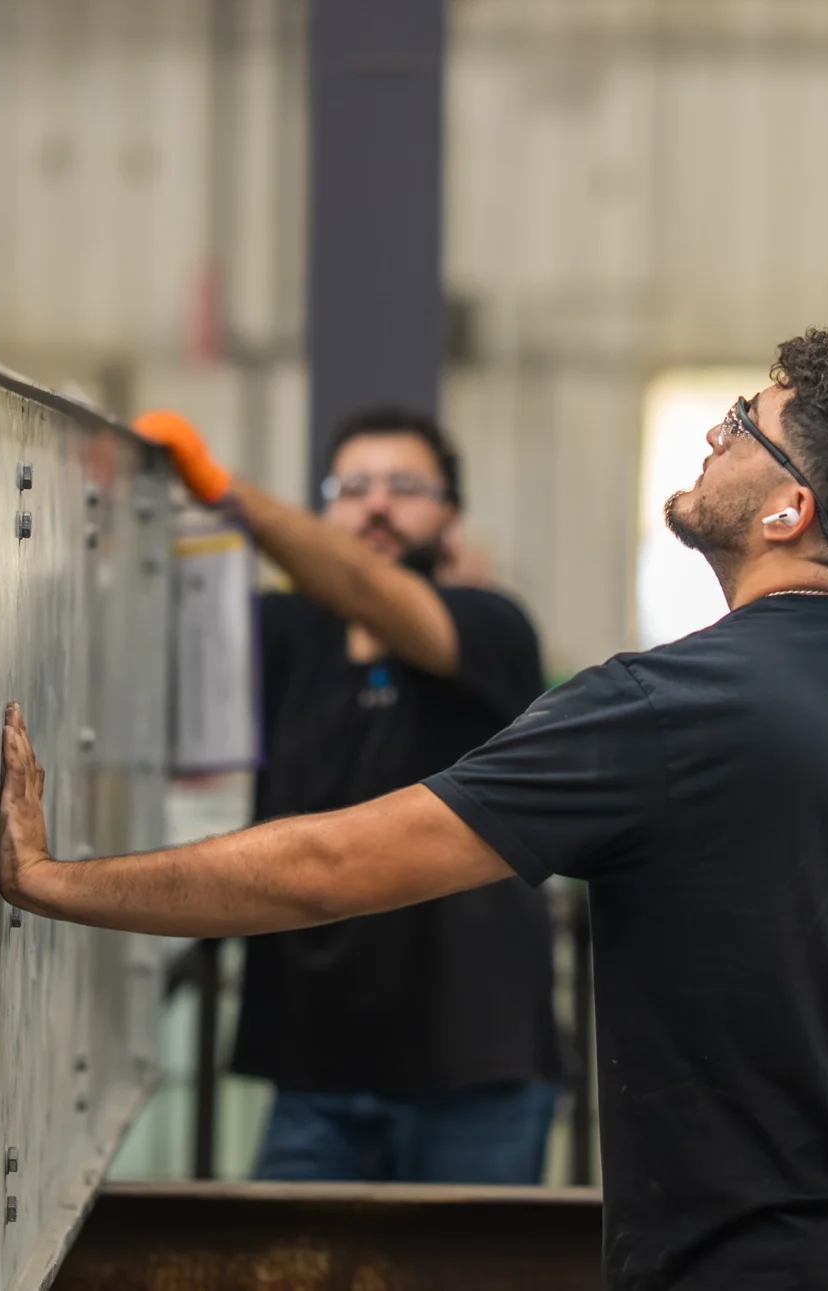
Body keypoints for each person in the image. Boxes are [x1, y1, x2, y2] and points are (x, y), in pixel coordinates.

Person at [13, 330, 828, 1289]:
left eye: (745, 423)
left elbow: (330, 870)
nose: (716, 434)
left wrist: (54, 881)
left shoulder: (664, 708)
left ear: (789, 511)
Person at [130, 403, 564, 1184]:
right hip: (316, 1069)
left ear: (452, 515)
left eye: (406, 486)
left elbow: (367, 587)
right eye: (353, 487)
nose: (377, 504)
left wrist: (222, 487)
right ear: (326, 511)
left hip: (476, 1068)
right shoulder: (280, 633)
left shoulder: (493, 625)